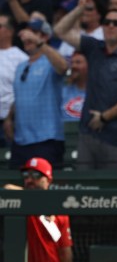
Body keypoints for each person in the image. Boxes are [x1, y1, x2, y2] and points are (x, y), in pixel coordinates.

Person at [53, 0, 117, 169]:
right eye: (107, 22)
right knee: (83, 188)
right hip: (88, 135)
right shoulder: (94, 47)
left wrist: (104, 117)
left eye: (116, 23)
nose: (110, 26)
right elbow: (60, 31)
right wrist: (79, 9)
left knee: (114, 192)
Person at [6, 20, 68, 168]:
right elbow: (21, 96)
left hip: (47, 139)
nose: (27, 38)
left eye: (33, 33)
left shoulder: (51, 61)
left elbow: (63, 67)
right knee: (14, 188)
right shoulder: (21, 65)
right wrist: (9, 118)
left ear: (45, 37)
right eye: (25, 34)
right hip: (21, 140)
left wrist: (39, 44)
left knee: (45, 188)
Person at [3, 157, 73, 262]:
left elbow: (65, 254)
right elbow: (7, 188)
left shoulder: (59, 211)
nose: (29, 180)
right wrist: (34, 201)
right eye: (26, 175)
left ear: (48, 180)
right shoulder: (20, 203)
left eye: (35, 175)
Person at [0, 15, 27, 146]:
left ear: (10, 31)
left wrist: (9, 118)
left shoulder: (21, 58)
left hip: (10, 119)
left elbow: (24, 91)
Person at [61, 52, 88, 123]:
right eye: (71, 63)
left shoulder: (99, 92)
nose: (73, 66)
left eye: (78, 62)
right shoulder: (62, 92)